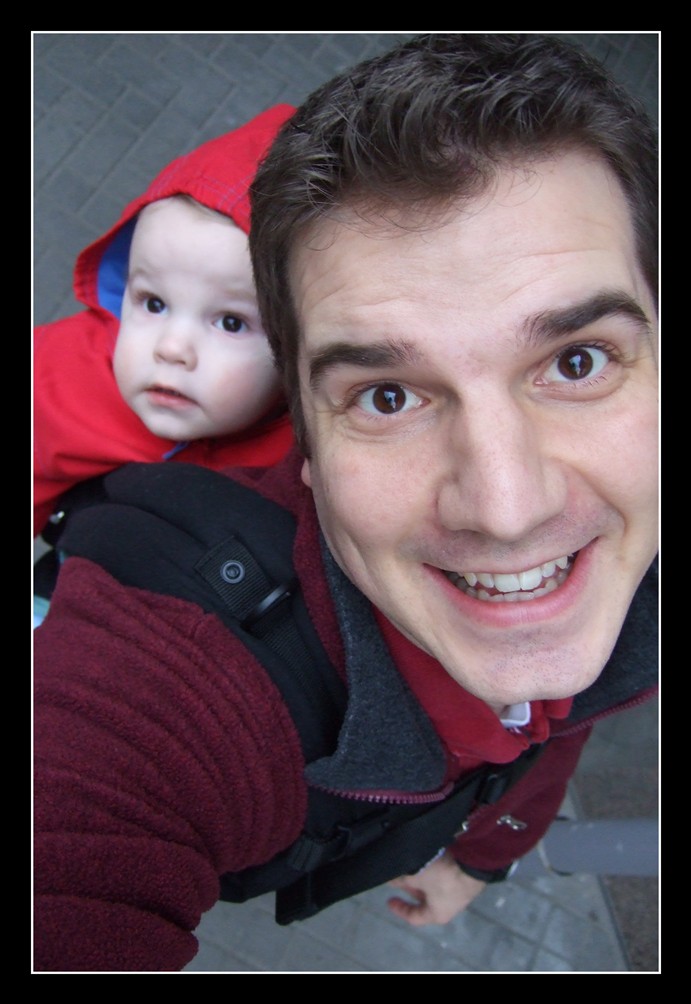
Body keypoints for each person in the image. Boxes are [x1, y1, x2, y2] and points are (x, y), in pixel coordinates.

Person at [34, 33, 658, 972]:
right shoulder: (174, 674)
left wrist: (485, 853)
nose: (507, 509)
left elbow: (557, 716)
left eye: (575, 362)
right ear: (307, 444)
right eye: (387, 396)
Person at [33, 104, 296, 541]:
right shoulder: (60, 378)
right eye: (154, 303)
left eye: (231, 323)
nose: (171, 348)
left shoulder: (307, 453)